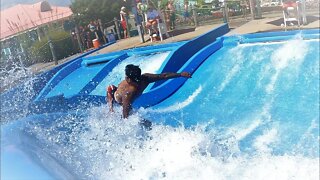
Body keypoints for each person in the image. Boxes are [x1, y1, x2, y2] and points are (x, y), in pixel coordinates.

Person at [107, 64, 192, 119]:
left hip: (124, 99)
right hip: (115, 97)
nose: (125, 78)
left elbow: (163, 76)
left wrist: (180, 74)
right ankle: (110, 108)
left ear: (130, 79)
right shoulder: (128, 93)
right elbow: (125, 114)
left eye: (126, 77)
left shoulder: (145, 78)